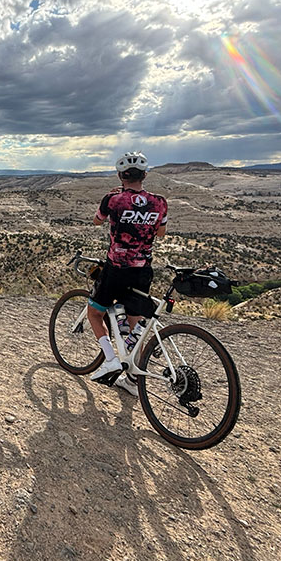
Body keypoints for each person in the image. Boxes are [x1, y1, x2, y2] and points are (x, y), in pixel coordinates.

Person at [86, 151, 167, 396]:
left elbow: (97, 221)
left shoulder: (113, 199)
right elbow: (160, 233)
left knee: (94, 313)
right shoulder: (160, 202)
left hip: (117, 269)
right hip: (143, 271)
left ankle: (110, 360)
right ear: (144, 175)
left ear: (121, 175)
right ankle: (132, 380)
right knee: (134, 325)